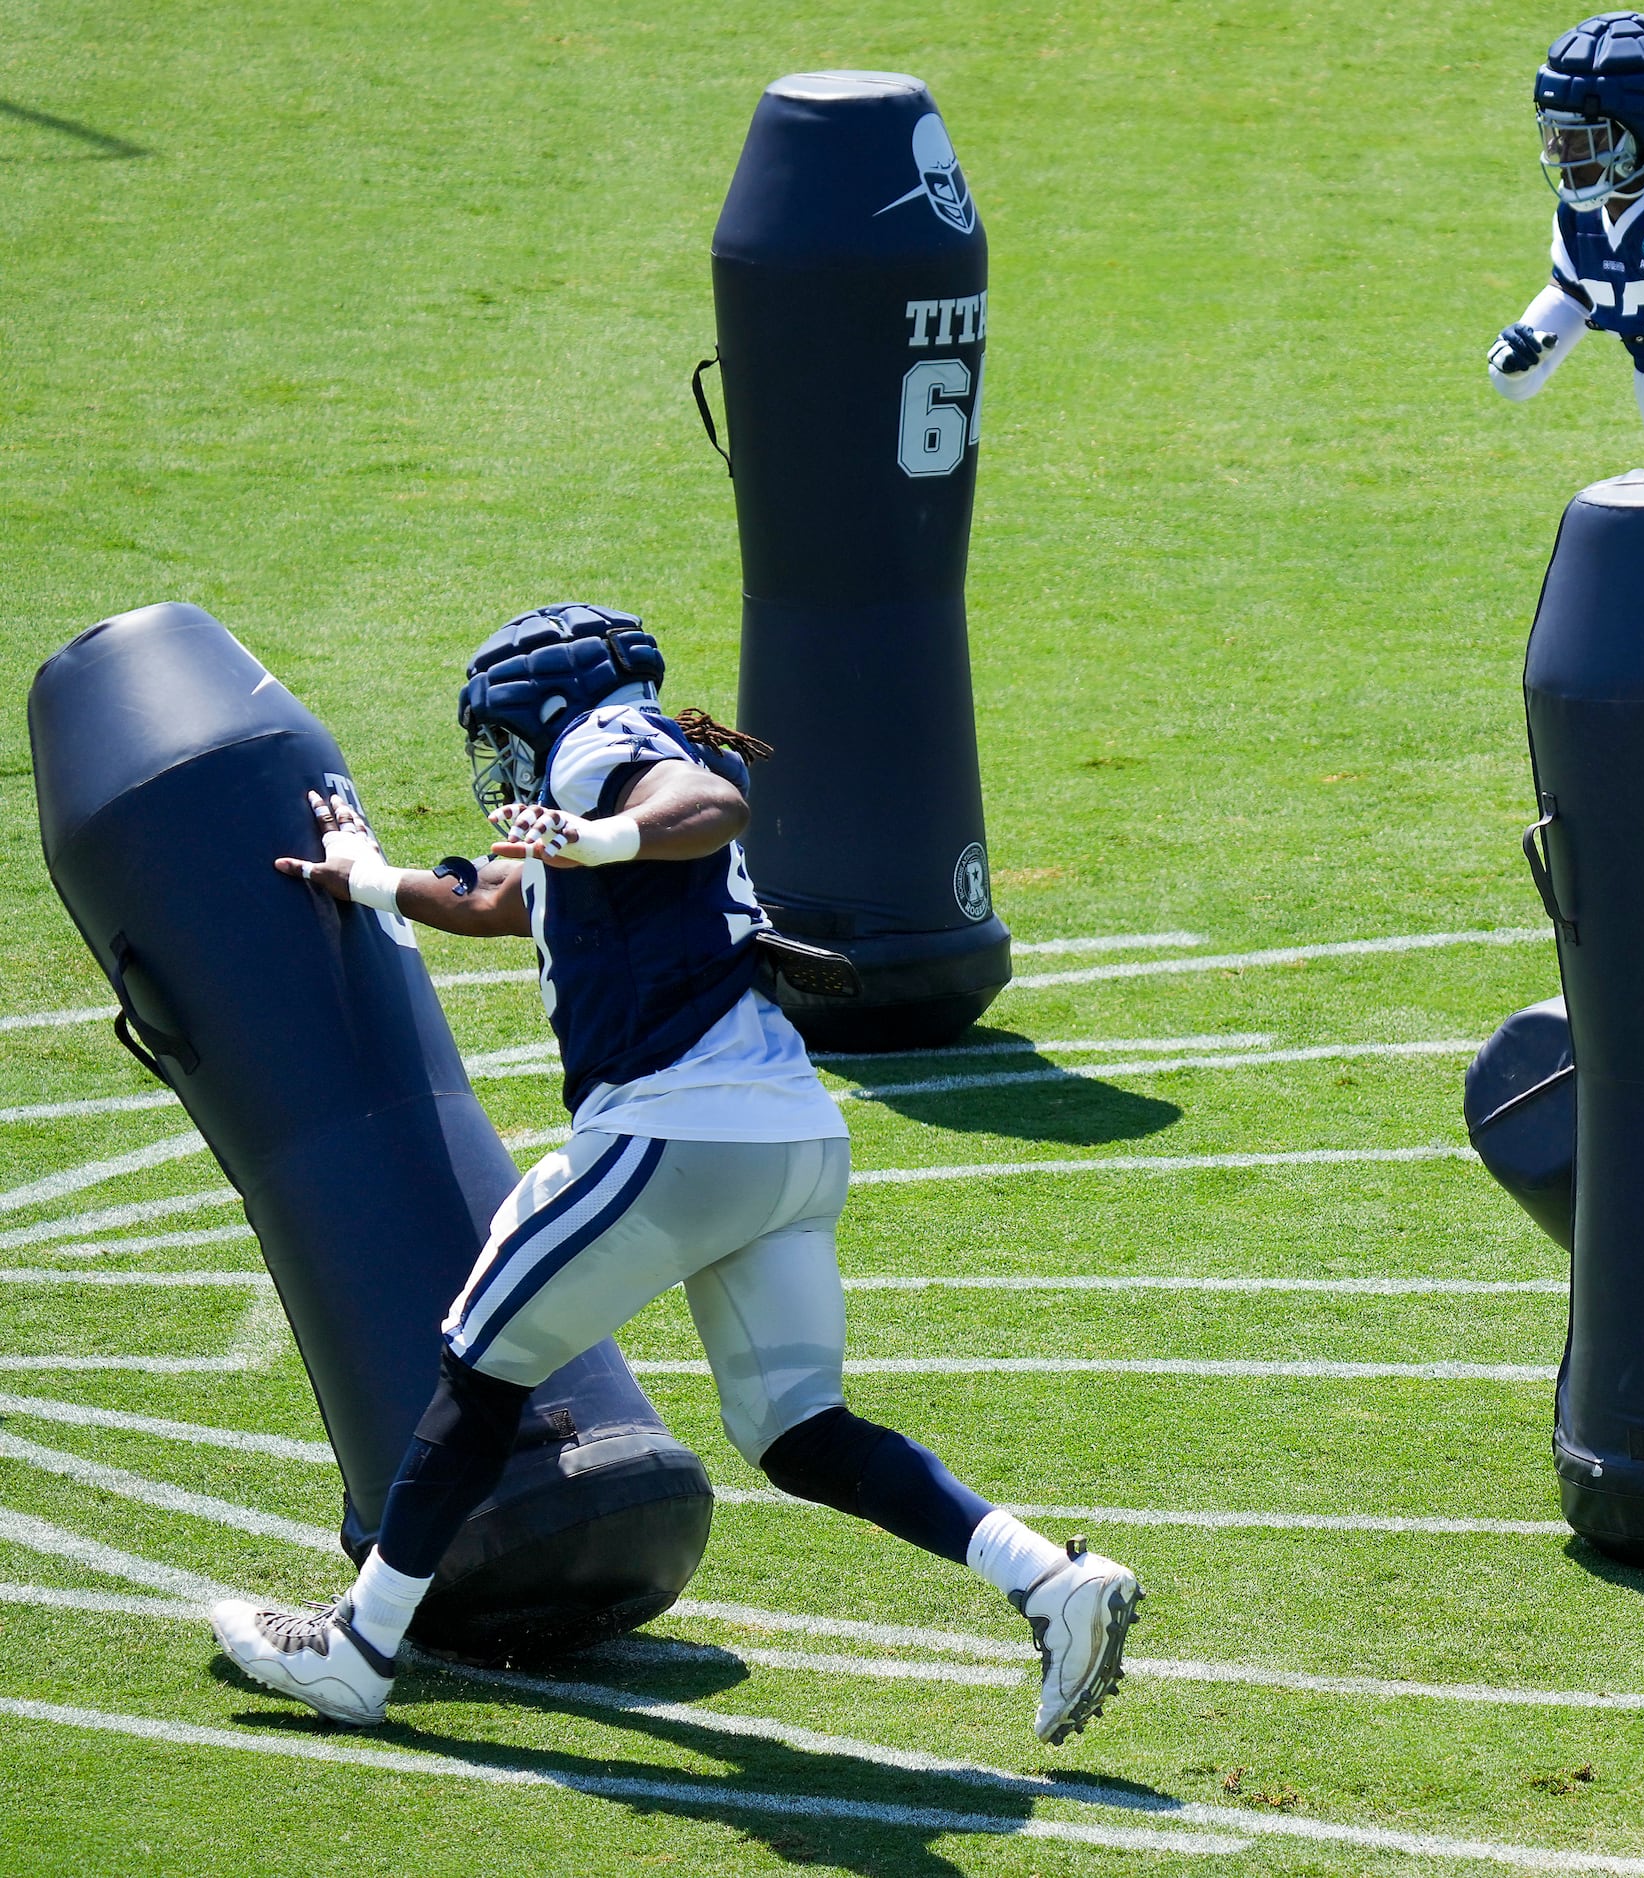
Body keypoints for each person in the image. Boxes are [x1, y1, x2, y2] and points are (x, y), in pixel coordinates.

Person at [210, 603, 1142, 1735]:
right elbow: (509, 898)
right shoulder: (603, 775)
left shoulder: (606, 746)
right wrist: (371, 877)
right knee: (798, 1429)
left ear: (538, 708)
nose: (494, 758)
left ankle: (358, 1649)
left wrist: (607, 836)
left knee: (478, 1364)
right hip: (789, 1147)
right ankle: (1051, 1579)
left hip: (675, 1134)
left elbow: (707, 806)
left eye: (498, 730)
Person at [1485, 11, 1644, 468]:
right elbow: (1521, 380)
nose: (1564, 155)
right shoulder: (1581, 223)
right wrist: (1515, 363)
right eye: (1558, 135)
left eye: (1585, 139)